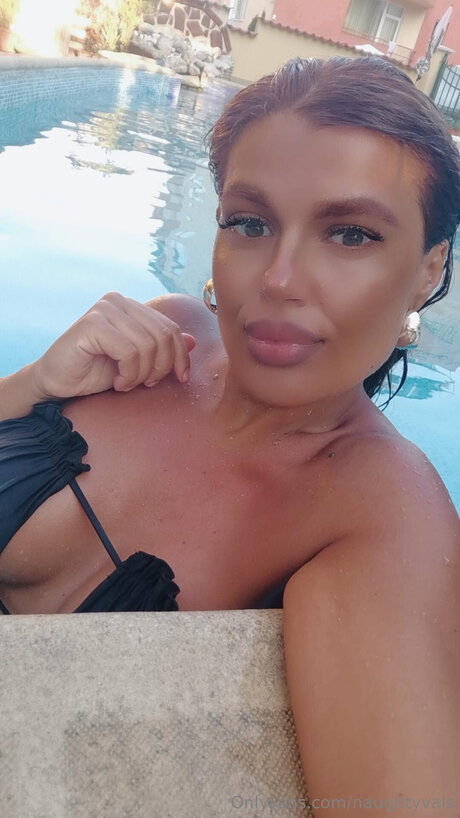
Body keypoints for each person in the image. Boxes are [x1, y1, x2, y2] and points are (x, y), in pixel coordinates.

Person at [0, 56, 459, 811]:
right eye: (249, 223)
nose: (277, 278)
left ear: (427, 270)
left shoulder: (385, 512)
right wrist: (32, 385)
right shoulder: (163, 337)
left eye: (350, 234)